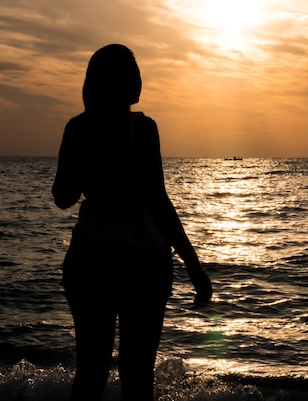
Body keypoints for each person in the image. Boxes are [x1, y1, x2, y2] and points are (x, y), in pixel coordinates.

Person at [52, 44, 212, 401]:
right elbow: (157, 200)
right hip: (142, 262)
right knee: (138, 377)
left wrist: (82, 159)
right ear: (128, 83)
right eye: (135, 74)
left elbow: (63, 198)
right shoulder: (142, 127)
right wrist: (194, 265)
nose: (140, 81)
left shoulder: (76, 128)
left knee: (90, 374)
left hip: (88, 258)